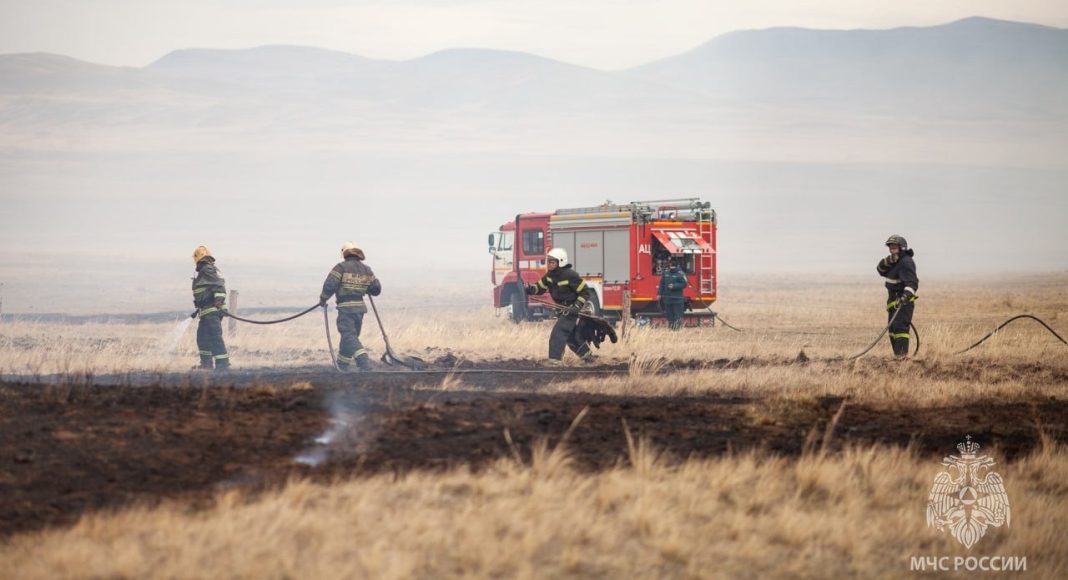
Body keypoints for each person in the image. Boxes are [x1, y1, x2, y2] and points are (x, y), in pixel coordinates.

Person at [525, 248, 595, 366]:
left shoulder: (570, 275)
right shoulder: (549, 276)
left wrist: (576, 306)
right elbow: (540, 287)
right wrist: (531, 289)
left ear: (560, 262)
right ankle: (588, 358)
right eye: (548, 262)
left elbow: (585, 292)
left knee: (558, 334)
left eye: (552, 262)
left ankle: (554, 363)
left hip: (571, 311)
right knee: (571, 338)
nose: (549, 264)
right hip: (561, 311)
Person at [320, 242, 381, 372]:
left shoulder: (340, 267)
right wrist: (365, 286)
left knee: (348, 336)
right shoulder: (367, 269)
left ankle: (363, 361)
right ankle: (342, 365)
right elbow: (376, 289)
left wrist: (323, 298)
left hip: (346, 309)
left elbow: (330, 285)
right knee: (349, 337)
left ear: (344, 254)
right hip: (359, 309)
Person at [876, 234, 919, 358]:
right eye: (890, 247)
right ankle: (897, 356)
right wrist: (886, 261)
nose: (891, 249)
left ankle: (902, 357)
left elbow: (912, 283)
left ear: (902, 248)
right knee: (893, 330)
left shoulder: (906, 262)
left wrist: (905, 297)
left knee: (900, 329)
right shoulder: (894, 260)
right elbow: (880, 270)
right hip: (893, 302)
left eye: (894, 247)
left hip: (903, 302)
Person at [191, 245, 230, 370]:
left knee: (214, 337)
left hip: (212, 311)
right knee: (202, 337)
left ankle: (222, 365)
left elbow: (219, 286)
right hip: (206, 312)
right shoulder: (206, 270)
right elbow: (207, 290)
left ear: (197, 258)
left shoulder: (207, 269)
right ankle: (206, 365)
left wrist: (219, 300)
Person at [658, 258, 688, 330]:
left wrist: (674, 286)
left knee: (677, 315)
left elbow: (684, 284)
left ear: (676, 265)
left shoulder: (681, 273)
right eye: (670, 265)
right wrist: (659, 293)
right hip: (667, 299)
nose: (671, 267)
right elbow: (662, 284)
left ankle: (677, 329)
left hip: (677, 299)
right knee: (669, 315)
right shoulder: (666, 273)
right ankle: (671, 329)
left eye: (672, 265)